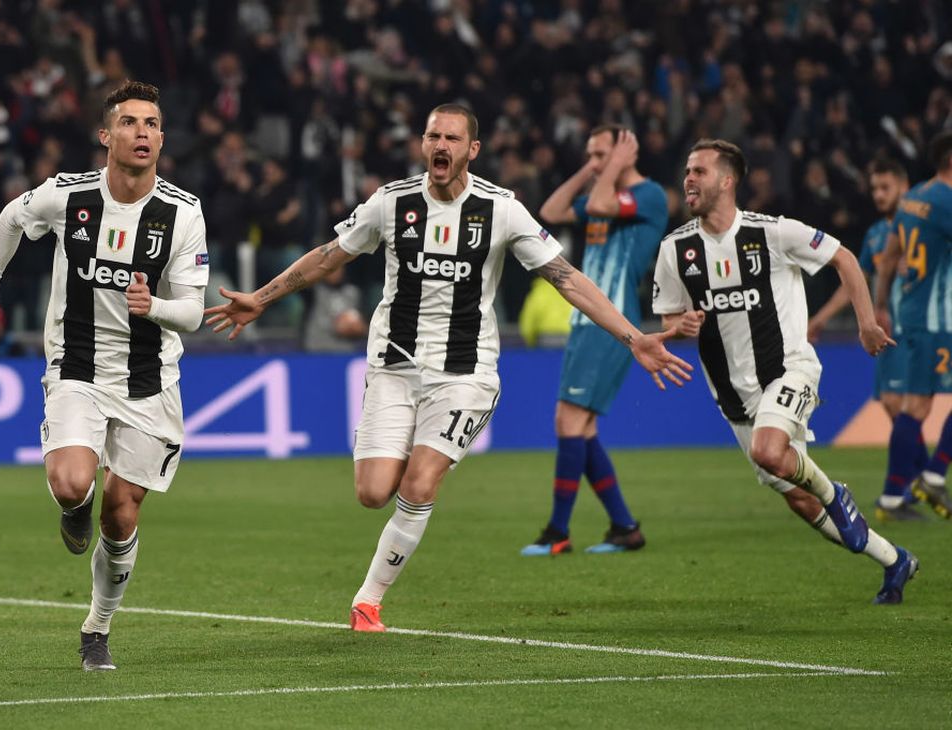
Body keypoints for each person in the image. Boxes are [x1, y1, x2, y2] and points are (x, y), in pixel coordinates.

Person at [205, 103, 692, 632]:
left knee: (420, 482)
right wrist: (263, 297)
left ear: (471, 150)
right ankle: (405, 464)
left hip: (466, 374)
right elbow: (327, 256)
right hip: (394, 366)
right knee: (372, 493)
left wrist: (633, 336)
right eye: (433, 136)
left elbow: (566, 278)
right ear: (422, 143)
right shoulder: (391, 203)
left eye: (452, 138)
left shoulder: (501, 209)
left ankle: (368, 602)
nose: (441, 146)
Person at [0, 80, 209, 669]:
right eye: (130, 123)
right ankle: (72, 507)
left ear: (162, 137)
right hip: (76, 367)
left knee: (121, 513)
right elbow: (8, 220)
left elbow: (195, 313)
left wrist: (157, 308)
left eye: (152, 123)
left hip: (149, 381)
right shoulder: (69, 196)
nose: (143, 133)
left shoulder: (182, 213)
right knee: (76, 483)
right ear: (106, 136)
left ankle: (96, 628)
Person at [652, 139, 918, 605]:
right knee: (799, 499)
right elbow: (670, 321)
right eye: (687, 171)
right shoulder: (676, 250)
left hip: (788, 371)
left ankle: (836, 493)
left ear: (728, 181)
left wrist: (866, 322)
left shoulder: (773, 233)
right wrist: (682, 325)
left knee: (770, 451)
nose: (688, 179)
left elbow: (844, 258)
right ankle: (894, 560)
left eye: (699, 171)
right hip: (734, 398)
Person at [521, 125, 668, 557]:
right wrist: (591, 167)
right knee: (580, 427)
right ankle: (624, 527)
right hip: (585, 320)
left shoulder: (650, 196)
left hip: (614, 320)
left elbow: (603, 202)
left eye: (601, 154)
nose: (596, 163)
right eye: (590, 155)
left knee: (569, 421)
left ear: (626, 153)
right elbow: (551, 209)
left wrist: (615, 167)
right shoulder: (602, 191)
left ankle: (558, 532)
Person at [808, 157, 925, 521]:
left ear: (904, 187)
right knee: (895, 408)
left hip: (922, 329)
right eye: (874, 188)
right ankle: (919, 481)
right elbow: (851, 283)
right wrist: (821, 318)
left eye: (885, 187)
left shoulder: (925, 226)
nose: (878, 195)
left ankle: (905, 488)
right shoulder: (876, 234)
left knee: (903, 407)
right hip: (889, 334)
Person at [876, 130, 952, 520]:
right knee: (916, 406)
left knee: (913, 405)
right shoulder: (946, 202)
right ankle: (933, 473)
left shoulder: (913, 199)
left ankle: (896, 492)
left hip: (913, 314)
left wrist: (879, 304)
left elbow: (889, 258)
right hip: (938, 319)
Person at [301, 265, 368, 352]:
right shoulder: (313, 291)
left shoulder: (353, 293)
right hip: (316, 352)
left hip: (345, 353)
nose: (335, 273)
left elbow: (363, 327)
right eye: (331, 269)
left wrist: (357, 328)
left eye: (338, 268)